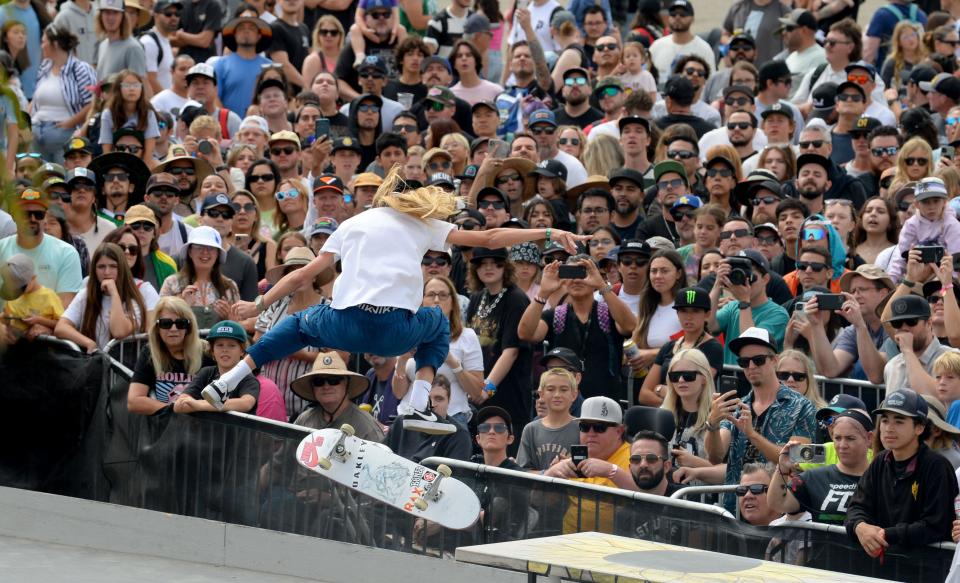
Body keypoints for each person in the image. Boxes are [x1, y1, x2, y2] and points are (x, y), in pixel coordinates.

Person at [206, 170, 585, 435]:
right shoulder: (424, 225)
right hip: (394, 334)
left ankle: (228, 380)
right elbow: (489, 239)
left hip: (345, 325)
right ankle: (418, 400)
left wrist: (258, 305)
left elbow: (302, 276)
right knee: (437, 320)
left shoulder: (351, 224)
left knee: (295, 326)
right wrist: (548, 231)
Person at [705, 327, 817, 511]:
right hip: (736, 508)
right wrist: (713, 425)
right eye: (744, 362)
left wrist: (751, 434)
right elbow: (715, 456)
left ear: (775, 360)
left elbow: (796, 460)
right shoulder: (737, 407)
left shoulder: (802, 406)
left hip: (779, 509)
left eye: (758, 360)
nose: (751, 367)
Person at [845, 389, 957, 554]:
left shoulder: (937, 466)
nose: (889, 428)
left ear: (919, 428)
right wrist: (860, 526)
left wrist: (886, 534)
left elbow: (937, 525)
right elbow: (856, 506)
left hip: (924, 569)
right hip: (880, 566)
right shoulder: (879, 461)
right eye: (884, 420)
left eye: (899, 421)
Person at [517, 254, 636, 401]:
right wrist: (543, 292)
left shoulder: (610, 313)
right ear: (563, 279)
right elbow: (525, 334)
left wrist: (602, 286)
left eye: (583, 273)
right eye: (571, 273)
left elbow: (630, 326)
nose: (577, 279)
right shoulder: (555, 316)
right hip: (564, 402)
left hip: (605, 400)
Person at [393, 275, 484, 428]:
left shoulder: (467, 336)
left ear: (452, 302)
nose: (436, 300)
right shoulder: (410, 334)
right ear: (420, 301)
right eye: (430, 295)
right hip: (408, 418)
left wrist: (453, 362)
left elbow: (476, 391)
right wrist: (401, 361)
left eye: (442, 295)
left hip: (452, 418)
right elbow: (398, 393)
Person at [255, 247, 330, 421]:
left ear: (314, 274)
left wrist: (300, 354)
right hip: (270, 396)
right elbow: (256, 341)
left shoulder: (327, 309)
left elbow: (341, 357)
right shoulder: (275, 304)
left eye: (303, 269)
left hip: (309, 402)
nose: (298, 275)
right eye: (292, 270)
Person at [543, 396, 638, 532]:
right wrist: (551, 475)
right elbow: (540, 502)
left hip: (613, 546)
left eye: (600, 428)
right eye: (585, 427)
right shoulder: (575, 458)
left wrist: (611, 471)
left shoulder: (635, 457)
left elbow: (647, 498)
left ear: (619, 431)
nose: (591, 433)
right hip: (569, 543)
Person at [769, 410, 874, 524]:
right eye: (837, 438)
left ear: (869, 438)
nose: (842, 445)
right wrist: (782, 468)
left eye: (850, 438)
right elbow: (778, 504)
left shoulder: (882, 477)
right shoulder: (813, 476)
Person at [55, 242, 147, 351]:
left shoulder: (133, 301)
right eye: (101, 267)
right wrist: (88, 342)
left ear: (122, 269)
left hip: (121, 365)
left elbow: (119, 331)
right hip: (93, 363)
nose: (107, 272)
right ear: (94, 270)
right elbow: (61, 327)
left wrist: (114, 293)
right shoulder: (85, 295)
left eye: (113, 266)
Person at [0, 188, 83, 308]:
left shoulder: (67, 253)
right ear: (13, 216)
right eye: (26, 214)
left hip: (48, 325)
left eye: (39, 214)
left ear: (45, 217)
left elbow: (65, 311)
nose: (32, 219)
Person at [128, 296, 211, 414]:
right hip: (166, 428)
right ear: (157, 327)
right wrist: (174, 411)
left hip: (201, 427)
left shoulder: (206, 351)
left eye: (180, 323)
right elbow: (134, 401)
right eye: (166, 323)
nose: (173, 329)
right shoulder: (150, 353)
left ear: (189, 327)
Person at [640, 288, 722, 406]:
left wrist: (660, 389)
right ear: (677, 314)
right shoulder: (668, 347)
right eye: (683, 310)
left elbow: (696, 393)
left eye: (695, 310)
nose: (688, 316)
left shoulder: (713, 348)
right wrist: (670, 406)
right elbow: (644, 394)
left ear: (707, 314)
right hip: (663, 416)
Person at [709, 250, 790, 365]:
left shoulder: (778, 314)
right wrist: (717, 284)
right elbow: (709, 324)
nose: (745, 281)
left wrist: (744, 301)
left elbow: (751, 345)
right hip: (732, 378)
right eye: (739, 274)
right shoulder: (733, 307)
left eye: (750, 276)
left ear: (765, 279)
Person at [31, 25, 96, 165]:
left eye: (44, 41)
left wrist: (69, 123)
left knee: (63, 179)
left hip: (65, 136)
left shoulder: (80, 69)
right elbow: (35, 99)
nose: (41, 46)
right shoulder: (44, 67)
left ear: (55, 44)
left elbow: (93, 102)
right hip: (37, 132)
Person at [660, 348, 725, 486]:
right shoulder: (662, 415)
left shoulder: (719, 416)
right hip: (666, 496)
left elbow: (730, 473)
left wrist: (695, 463)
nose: (681, 380)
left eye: (688, 375)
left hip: (705, 499)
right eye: (675, 376)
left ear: (704, 378)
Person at [288, 351, 384, 440]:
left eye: (334, 380)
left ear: (346, 384)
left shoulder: (367, 427)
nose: (326, 386)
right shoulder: (303, 421)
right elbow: (286, 456)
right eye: (319, 381)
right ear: (312, 387)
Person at [159, 226, 241, 329]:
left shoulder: (229, 287)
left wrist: (230, 319)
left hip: (218, 345)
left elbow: (239, 327)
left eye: (211, 248)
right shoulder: (171, 283)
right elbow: (160, 321)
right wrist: (182, 306)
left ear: (218, 253)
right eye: (199, 247)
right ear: (189, 252)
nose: (205, 252)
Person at [173, 321, 258, 414]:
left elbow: (245, 403)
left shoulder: (246, 377)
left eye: (232, 345)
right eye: (219, 345)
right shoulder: (206, 373)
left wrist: (200, 405)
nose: (225, 350)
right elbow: (179, 405)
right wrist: (193, 404)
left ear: (242, 351)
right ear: (212, 351)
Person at [386, 374, 473, 462]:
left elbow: (456, 474)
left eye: (439, 399)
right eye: (426, 398)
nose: (432, 405)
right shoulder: (401, 424)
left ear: (449, 401)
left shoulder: (459, 435)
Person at [517, 368, 580, 471]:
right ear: (541, 394)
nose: (557, 395)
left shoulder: (583, 428)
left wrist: (569, 467)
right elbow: (522, 472)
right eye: (551, 389)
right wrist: (550, 472)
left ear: (574, 395)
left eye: (563, 390)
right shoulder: (531, 429)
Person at [0, 254, 64, 343]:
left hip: (42, 348)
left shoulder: (49, 296)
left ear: (33, 278)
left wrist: (40, 321)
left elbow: (62, 325)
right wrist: (5, 323)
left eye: (21, 287)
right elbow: (6, 318)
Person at [629, 430, 682, 496]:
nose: (643, 464)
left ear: (666, 467)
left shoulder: (687, 497)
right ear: (629, 467)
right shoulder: (620, 500)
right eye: (635, 459)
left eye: (651, 458)